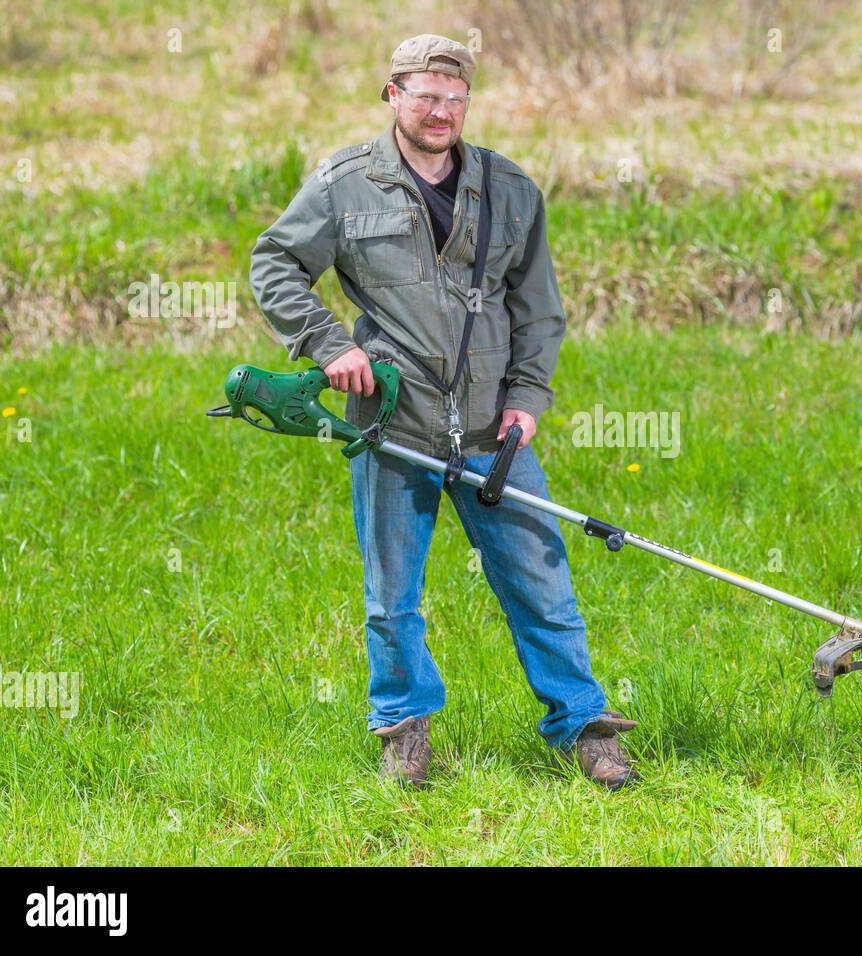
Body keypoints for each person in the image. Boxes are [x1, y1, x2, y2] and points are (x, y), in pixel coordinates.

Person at [248, 34, 638, 790]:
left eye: (456, 99)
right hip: (391, 421)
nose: (442, 112)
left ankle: (584, 728)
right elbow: (275, 262)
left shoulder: (510, 189)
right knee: (392, 597)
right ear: (391, 94)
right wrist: (330, 345)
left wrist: (527, 398)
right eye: (427, 96)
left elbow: (540, 310)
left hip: (496, 429)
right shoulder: (343, 183)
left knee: (541, 583)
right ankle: (405, 730)